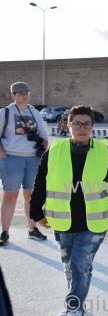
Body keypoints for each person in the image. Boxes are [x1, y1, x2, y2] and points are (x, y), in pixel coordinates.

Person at [30, 105, 108, 316]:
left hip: (95, 223)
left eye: (86, 124)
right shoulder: (54, 151)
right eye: (77, 123)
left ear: (93, 127)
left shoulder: (105, 152)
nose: (82, 128)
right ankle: (78, 304)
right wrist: (36, 212)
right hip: (63, 221)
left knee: (79, 264)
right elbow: (40, 182)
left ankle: (73, 309)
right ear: (68, 125)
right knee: (71, 267)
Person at [0, 81, 49, 246]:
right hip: (12, 158)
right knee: (10, 196)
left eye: (26, 92)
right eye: (20, 93)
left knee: (31, 196)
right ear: (13, 95)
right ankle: (5, 232)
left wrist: (44, 150)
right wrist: (2, 154)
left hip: (34, 158)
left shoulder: (35, 112)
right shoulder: (5, 112)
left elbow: (43, 135)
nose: (24, 95)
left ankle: (32, 229)